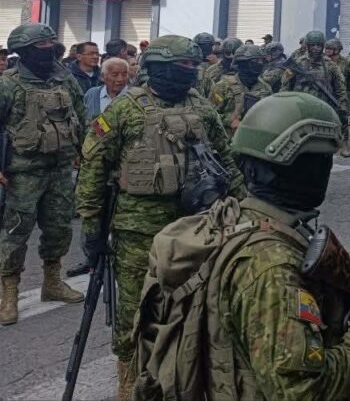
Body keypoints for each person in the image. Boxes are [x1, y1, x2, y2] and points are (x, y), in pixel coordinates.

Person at [133, 93, 350, 398]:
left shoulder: (232, 219)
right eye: (317, 161)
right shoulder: (272, 267)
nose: (321, 171)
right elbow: (301, 391)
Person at [76, 35, 246, 397]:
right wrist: (91, 227)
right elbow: (93, 167)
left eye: (192, 67)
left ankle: (182, 373)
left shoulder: (201, 108)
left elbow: (226, 160)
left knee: (194, 303)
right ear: (156, 68)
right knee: (133, 309)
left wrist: (245, 209)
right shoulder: (124, 109)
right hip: (138, 230)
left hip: (196, 227)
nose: (188, 73)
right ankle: (128, 381)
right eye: (180, 66)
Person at [0, 24, 87, 325]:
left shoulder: (65, 79)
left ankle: (52, 282)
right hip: (23, 172)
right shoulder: (8, 84)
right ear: (24, 51)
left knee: (59, 227)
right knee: (15, 232)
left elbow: (81, 116)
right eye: (41, 45)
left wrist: (87, 152)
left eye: (51, 44)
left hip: (61, 169)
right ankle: (9, 293)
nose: (48, 49)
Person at [282, 30, 348, 156]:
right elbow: (285, 85)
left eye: (318, 45)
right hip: (301, 107)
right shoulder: (298, 63)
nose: (316, 48)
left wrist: (342, 106)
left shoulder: (330, 65)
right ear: (307, 46)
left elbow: (340, 88)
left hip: (322, 108)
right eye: (313, 45)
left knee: (322, 141)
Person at [210, 44, 273, 132]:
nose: (260, 63)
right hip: (228, 137)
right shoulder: (223, 86)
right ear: (243, 63)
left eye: (262, 60)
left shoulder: (266, 88)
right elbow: (211, 114)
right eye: (255, 60)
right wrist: (230, 121)